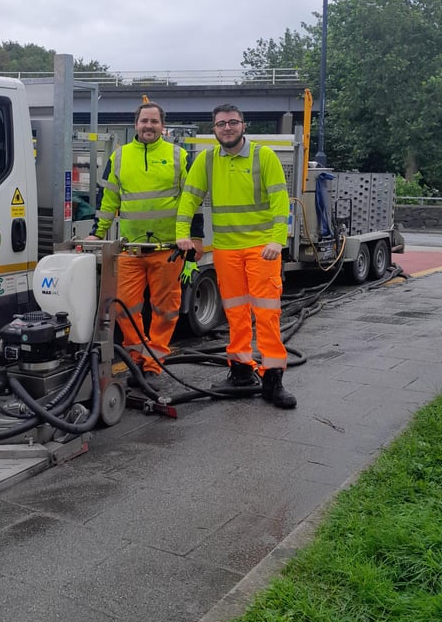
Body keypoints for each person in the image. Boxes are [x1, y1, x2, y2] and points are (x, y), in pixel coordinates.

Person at [175, 104, 296, 409]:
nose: (226, 128)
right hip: (227, 250)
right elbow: (189, 196)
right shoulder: (207, 160)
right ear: (213, 129)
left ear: (244, 125)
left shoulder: (262, 156)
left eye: (232, 122)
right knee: (236, 314)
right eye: (220, 124)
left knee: (267, 314)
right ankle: (241, 372)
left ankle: (272, 379)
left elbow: (280, 199)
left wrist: (277, 240)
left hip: (261, 249)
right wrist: (182, 232)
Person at [87, 99, 203, 382]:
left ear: (163, 126)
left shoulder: (179, 156)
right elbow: (107, 201)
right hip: (130, 249)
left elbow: (192, 200)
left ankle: (154, 361)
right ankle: (135, 356)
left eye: (154, 121)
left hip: (168, 250)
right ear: (135, 125)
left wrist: (196, 236)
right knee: (124, 307)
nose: (148, 125)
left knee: (165, 309)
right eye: (144, 121)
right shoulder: (119, 157)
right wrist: (97, 233)